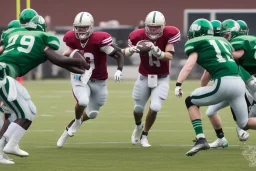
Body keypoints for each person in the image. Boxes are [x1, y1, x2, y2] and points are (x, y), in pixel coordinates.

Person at [0, 8, 89, 164]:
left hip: (6, 76)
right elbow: (60, 60)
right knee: (22, 114)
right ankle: (7, 146)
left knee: (29, 111)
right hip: (4, 76)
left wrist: (80, 68)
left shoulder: (12, 34)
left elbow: (59, 61)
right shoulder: (42, 38)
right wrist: (81, 63)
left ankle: (10, 145)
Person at [175, 18, 256, 156]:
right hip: (239, 83)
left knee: (190, 101)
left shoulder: (197, 43)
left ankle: (201, 139)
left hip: (224, 83)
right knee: (244, 123)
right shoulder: (224, 42)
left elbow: (189, 66)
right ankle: (220, 139)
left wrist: (178, 84)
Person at [57, 12, 124, 148]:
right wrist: (68, 56)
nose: (81, 30)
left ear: (91, 27)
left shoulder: (99, 39)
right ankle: (76, 122)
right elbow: (68, 52)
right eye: (78, 27)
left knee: (92, 114)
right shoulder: (71, 37)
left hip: (99, 79)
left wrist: (119, 70)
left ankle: (72, 126)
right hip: (80, 77)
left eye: (84, 27)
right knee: (82, 101)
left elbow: (118, 54)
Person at [122, 11, 180, 147]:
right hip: (144, 77)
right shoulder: (137, 35)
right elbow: (123, 52)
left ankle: (145, 135)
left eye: (157, 27)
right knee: (138, 109)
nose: (153, 29)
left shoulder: (169, 33)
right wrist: (133, 49)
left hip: (162, 78)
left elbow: (169, 56)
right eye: (150, 26)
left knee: (155, 107)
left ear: (163, 26)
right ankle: (138, 127)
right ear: (145, 25)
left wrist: (157, 51)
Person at [204, 19, 256, 147]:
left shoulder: (237, 44)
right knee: (210, 111)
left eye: (226, 35)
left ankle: (240, 127)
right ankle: (221, 139)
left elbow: (237, 55)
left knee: (245, 119)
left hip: (246, 84)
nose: (224, 38)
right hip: (235, 86)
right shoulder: (246, 42)